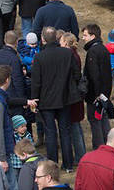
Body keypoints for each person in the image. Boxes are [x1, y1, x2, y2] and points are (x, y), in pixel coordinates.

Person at [31, 27, 81, 171]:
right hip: (64, 98)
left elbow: (36, 82)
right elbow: (76, 74)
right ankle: (68, 164)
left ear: (43, 39)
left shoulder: (40, 57)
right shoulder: (67, 53)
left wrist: (34, 99)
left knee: (50, 132)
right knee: (65, 131)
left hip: (47, 101)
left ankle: (52, 164)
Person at [81, 24, 112, 149]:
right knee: (103, 119)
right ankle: (108, 144)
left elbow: (95, 75)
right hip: (104, 92)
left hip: (95, 94)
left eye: (85, 35)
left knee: (95, 121)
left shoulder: (93, 51)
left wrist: (96, 94)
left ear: (93, 36)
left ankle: (99, 147)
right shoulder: (103, 49)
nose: (83, 38)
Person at [59, 33, 87, 165]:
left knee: (75, 128)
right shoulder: (75, 54)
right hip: (76, 97)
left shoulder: (70, 56)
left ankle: (80, 156)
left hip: (73, 97)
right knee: (77, 128)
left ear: (66, 43)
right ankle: (81, 154)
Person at [0, 31, 28, 119]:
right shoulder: (14, 59)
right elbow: (18, 80)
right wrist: (23, 100)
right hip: (14, 98)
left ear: (4, 40)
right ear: (16, 42)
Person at [11, 115, 35, 187]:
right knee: (15, 178)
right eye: (22, 126)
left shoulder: (28, 135)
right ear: (15, 128)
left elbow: (31, 146)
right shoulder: (13, 137)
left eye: (25, 126)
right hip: (15, 163)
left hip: (25, 162)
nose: (25, 128)